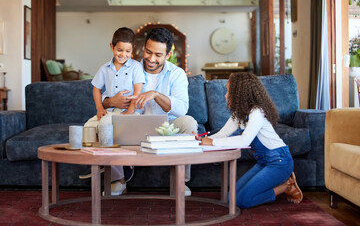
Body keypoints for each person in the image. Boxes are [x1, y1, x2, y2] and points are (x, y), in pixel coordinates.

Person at [102, 27, 198, 196]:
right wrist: (111, 101)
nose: (151, 59)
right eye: (148, 51)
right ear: (142, 48)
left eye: (158, 55)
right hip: (133, 124)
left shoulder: (177, 74)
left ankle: (180, 181)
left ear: (168, 55)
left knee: (189, 122)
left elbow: (182, 109)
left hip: (166, 127)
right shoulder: (128, 68)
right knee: (108, 122)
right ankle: (118, 180)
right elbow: (104, 100)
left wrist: (155, 94)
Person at [200, 72, 303, 208]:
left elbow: (244, 141)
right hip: (263, 162)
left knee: (243, 201)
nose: (225, 95)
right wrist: (202, 140)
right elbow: (223, 134)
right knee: (232, 197)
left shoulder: (257, 112)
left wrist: (212, 143)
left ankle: (286, 186)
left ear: (239, 94)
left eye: (228, 91)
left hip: (279, 162)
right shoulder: (239, 113)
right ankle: (282, 184)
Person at [83, 27, 145, 194]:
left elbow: (138, 91)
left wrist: (128, 114)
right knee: (88, 128)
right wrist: (99, 108)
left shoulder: (136, 67)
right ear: (111, 47)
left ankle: (119, 177)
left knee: (106, 127)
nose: (123, 54)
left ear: (133, 50)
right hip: (110, 111)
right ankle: (99, 163)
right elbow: (96, 89)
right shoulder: (105, 68)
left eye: (127, 51)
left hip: (130, 113)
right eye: (119, 50)